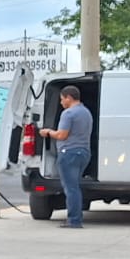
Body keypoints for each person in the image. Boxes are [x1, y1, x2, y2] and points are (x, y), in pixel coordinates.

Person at [41, 85, 92, 229]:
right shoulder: (86, 112)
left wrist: (48, 132)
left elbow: (62, 135)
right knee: (75, 187)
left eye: (62, 99)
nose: (61, 103)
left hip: (69, 153)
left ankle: (74, 220)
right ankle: (76, 217)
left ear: (69, 98)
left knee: (71, 188)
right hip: (84, 153)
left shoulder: (68, 114)